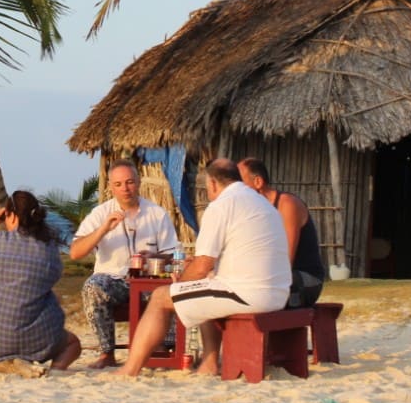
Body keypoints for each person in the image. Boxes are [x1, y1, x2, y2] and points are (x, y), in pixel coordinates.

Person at [115, 158, 289, 377]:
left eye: (207, 188)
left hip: (249, 294)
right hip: (278, 294)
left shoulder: (221, 206)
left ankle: (129, 369)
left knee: (160, 297)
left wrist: (179, 283)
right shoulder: (262, 204)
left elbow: (202, 264)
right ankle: (209, 363)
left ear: (213, 183)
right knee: (204, 287)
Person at [0, 190, 81, 371]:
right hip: (40, 340)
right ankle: (56, 370)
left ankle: (16, 359)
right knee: (73, 344)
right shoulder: (48, 249)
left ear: (9, 216)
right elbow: (53, 279)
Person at [69, 159, 179, 369]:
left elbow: (172, 254)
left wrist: (153, 257)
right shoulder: (101, 213)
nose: (125, 189)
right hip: (114, 281)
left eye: (129, 182)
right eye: (118, 184)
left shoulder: (156, 213)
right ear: (111, 187)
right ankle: (106, 353)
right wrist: (103, 230)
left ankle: (163, 348)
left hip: (148, 281)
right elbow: (75, 252)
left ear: (138, 183)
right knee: (93, 286)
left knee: (170, 288)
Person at [239, 157, 325, 308]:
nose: (234, 189)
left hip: (303, 278)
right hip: (271, 276)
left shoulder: (287, 204)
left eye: (239, 183)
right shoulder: (251, 211)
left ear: (258, 182)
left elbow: (285, 261)